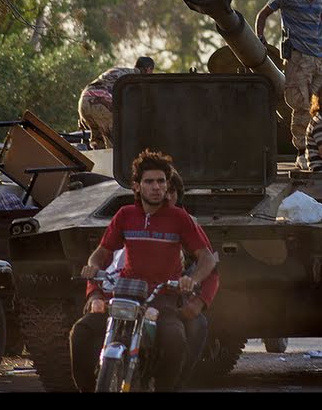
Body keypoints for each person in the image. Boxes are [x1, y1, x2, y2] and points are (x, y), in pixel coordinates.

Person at [69, 149, 217, 392]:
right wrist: (93, 269)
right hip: (124, 295)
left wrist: (191, 280)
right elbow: (102, 253)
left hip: (162, 299)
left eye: (161, 181)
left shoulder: (179, 218)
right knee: (81, 333)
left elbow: (208, 260)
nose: (156, 187)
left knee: (174, 340)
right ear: (136, 186)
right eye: (149, 181)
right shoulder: (125, 215)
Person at [255, 0, 322, 167]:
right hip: (296, 57)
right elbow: (263, 14)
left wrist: (316, 30)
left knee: (321, 105)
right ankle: (301, 152)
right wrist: (260, 37)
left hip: (318, 56)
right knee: (301, 106)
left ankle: (319, 150)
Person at [78, 56, 155, 149]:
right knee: (116, 144)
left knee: (98, 142)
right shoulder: (136, 79)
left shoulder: (120, 71)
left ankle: (98, 162)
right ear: (148, 69)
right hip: (100, 103)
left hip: (84, 101)